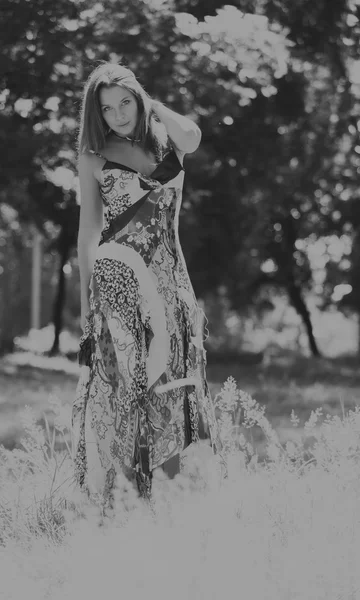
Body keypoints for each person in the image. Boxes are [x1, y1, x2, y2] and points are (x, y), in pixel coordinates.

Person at [72, 61, 222, 509]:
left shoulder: (165, 142)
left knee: (175, 379)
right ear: (95, 115)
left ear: (139, 100)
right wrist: (84, 301)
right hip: (118, 284)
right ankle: (121, 498)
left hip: (171, 279)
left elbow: (193, 137)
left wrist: (152, 105)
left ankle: (173, 493)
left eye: (126, 103)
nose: (118, 115)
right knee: (127, 385)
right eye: (107, 108)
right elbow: (88, 231)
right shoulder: (93, 157)